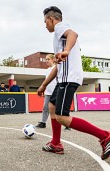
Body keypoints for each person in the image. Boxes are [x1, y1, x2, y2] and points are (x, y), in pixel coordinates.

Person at [38, 6, 109, 160]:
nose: (45, 25)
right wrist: (44, 84)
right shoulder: (58, 37)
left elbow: (73, 34)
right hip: (63, 78)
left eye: (45, 22)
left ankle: (105, 137)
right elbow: (58, 66)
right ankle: (56, 143)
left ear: (51, 19)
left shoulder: (60, 27)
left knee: (62, 117)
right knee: (52, 105)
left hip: (69, 78)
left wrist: (67, 50)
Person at [36, 54, 57, 128]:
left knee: (59, 108)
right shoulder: (47, 70)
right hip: (48, 92)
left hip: (56, 91)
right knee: (45, 107)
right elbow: (46, 81)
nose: (47, 61)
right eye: (46, 59)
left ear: (53, 59)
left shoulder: (56, 68)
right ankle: (43, 122)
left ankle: (66, 124)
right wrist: (43, 89)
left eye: (48, 59)